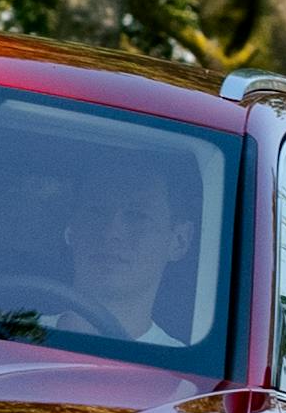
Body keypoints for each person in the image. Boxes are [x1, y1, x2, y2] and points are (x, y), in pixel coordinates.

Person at [60, 146, 199, 344]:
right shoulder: (11, 334)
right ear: (71, 227)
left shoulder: (184, 371)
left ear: (179, 240)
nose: (110, 233)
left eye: (137, 216)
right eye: (96, 211)